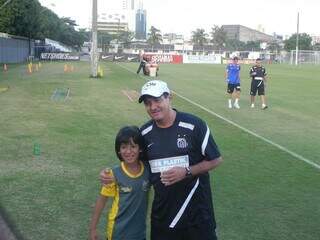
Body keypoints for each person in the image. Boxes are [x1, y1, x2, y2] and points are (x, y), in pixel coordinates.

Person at [101, 80, 223, 240]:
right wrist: (112, 175)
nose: (153, 107)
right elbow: (138, 166)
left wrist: (187, 171)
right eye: (148, 103)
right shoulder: (144, 133)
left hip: (198, 218)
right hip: (163, 218)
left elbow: (216, 159)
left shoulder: (194, 125)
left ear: (169, 97)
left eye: (157, 100)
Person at [90, 126, 150, 240]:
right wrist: (93, 229)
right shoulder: (112, 174)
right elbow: (101, 203)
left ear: (140, 148)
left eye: (133, 146)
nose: (128, 151)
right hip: (117, 233)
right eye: (123, 147)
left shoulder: (148, 169)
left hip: (139, 234)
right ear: (119, 150)